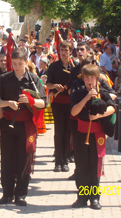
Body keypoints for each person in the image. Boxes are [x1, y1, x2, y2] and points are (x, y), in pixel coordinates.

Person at [0, 48, 46, 206]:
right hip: (7, 123)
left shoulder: (33, 79)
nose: (17, 66)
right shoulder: (3, 78)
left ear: (26, 62)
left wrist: (30, 101)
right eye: (14, 63)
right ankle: (7, 193)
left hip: (26, 125)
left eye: (20, 63)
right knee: (6, 159)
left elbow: (44, 103)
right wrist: (8, 104)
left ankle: (21, 194)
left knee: (24, 160)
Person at [70, 64, 115, 209]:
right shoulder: (78, 91)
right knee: (82, 166)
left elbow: (112, 107)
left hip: (97, 133)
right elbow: (74, 112)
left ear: (97, 79)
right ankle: (82, 197)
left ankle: (94, 198)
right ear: (83, 78)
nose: (89, 80)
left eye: (92, 77)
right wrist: (86, 97)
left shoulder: (102, 91)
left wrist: (99, 115)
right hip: (81, 133)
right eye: (87, 77)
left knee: (95, 166)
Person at [46, 40, 78, 172]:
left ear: (71, 51)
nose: (63, 53)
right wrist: (55, 86)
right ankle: (58, 162)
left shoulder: (75, 66)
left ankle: (65, 161)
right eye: (61, 50)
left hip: (71, 104)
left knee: (68, 132)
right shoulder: (54, 66)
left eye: (66, 50)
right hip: (57, 103)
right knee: (59, 132)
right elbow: (47, 84)